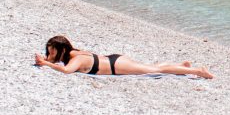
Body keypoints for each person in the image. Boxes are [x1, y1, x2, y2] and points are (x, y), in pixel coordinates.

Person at [36, 35, 214, 79]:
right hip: (116, 60)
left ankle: (198, 71)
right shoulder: (74, 52)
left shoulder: (77, 59)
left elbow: (66, 71)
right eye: (49, 52)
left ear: (62, 50)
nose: (50, 55)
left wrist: (46, 64)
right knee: (151, 66)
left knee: (156, 69)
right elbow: (58, 61)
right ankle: (181, 65)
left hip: (117, 66)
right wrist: (47, 60)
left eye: (52, 52)